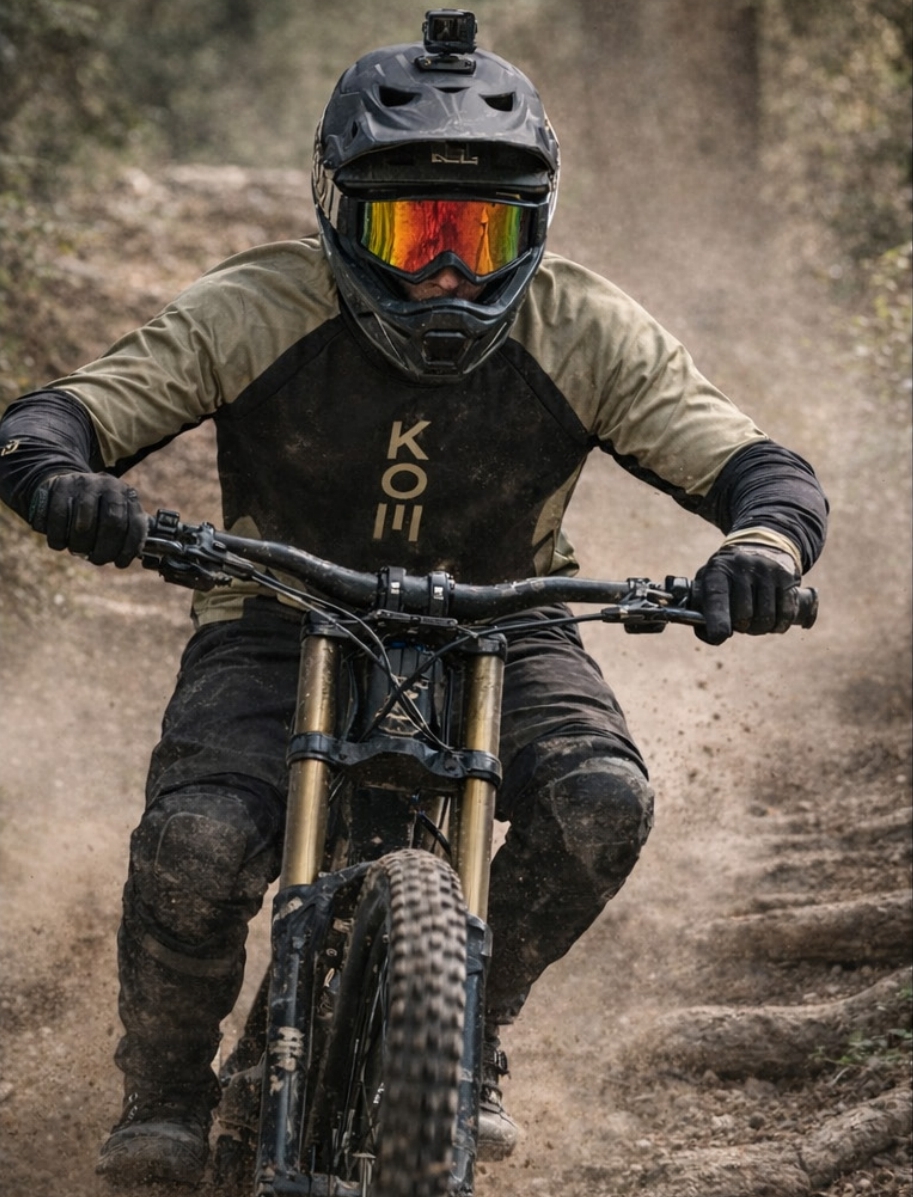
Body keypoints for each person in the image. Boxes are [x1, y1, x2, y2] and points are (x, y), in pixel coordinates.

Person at [0, 10, 828, 1188]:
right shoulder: (256, 305)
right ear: (338, 214)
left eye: (481, 235)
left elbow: (758, 468)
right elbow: (64, 414)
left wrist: (763, 546)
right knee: (198, 842)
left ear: (535, 226)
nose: (448, 271)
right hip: (275, 609)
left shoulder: (585, 327)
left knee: (601, 802)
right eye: (411, 231)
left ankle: (468, 1027)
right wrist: (63, 476)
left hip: (506, 617)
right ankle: (168, 1088)